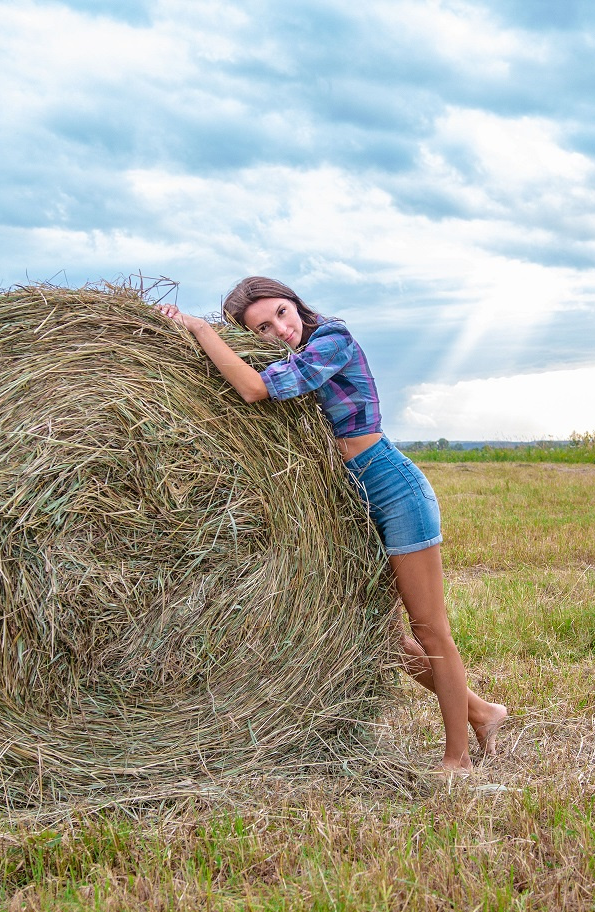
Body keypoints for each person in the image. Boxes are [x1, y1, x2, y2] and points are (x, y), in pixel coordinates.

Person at [159, 276, 507, 773]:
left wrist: (199, 328)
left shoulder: (331, 339)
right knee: (381, 635)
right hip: (349, 498)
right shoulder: (297, 356)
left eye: (281, 312)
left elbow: (254, 389)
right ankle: (482, 712)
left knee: (429, 630)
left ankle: (458, 758)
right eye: (262, 329)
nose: (280, 329)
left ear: (294, 302)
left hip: (392, 488)